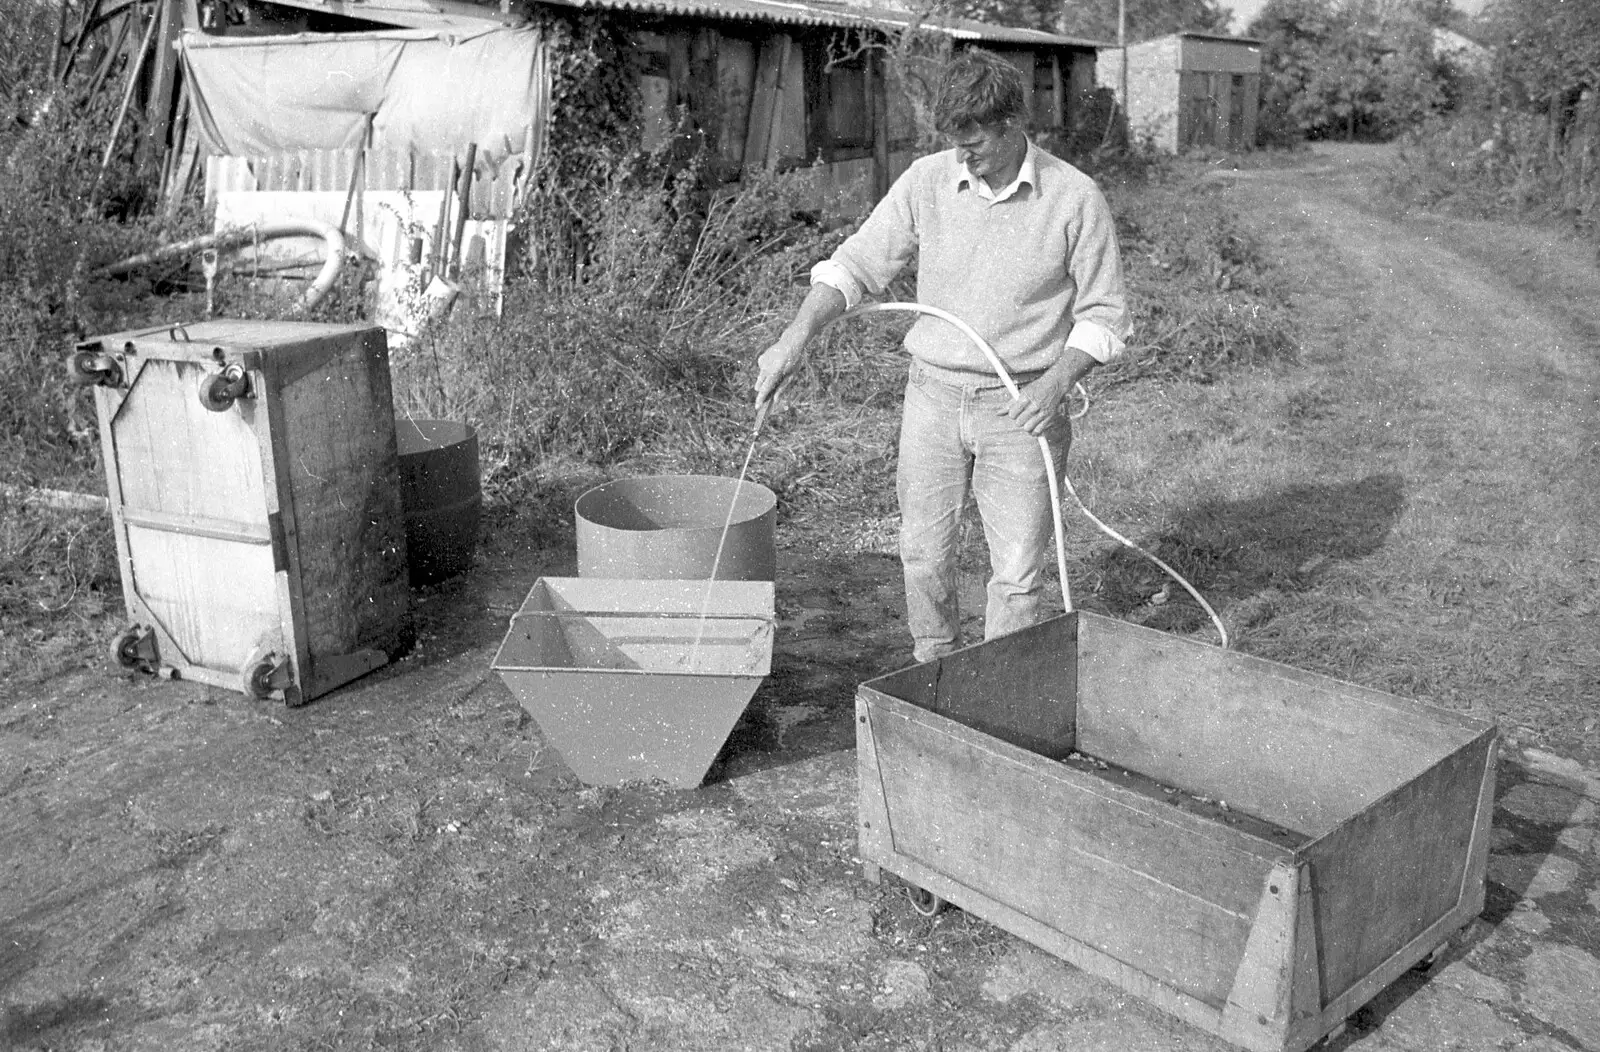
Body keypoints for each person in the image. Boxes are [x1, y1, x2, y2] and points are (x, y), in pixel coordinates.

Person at [752, 48, 1133, 664]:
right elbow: (855, 266)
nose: (962, 155)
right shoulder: (928, 180)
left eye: (974, 142)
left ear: (1014, 124)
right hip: (931, 397)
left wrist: (1057, 382)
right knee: (924, 553)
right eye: (954, 142)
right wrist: (793, 339)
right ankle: (935, 675)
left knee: (1015, 573)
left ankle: (1001, 693)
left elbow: (1106, 314)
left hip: (1021, 406)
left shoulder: (1074, 198)